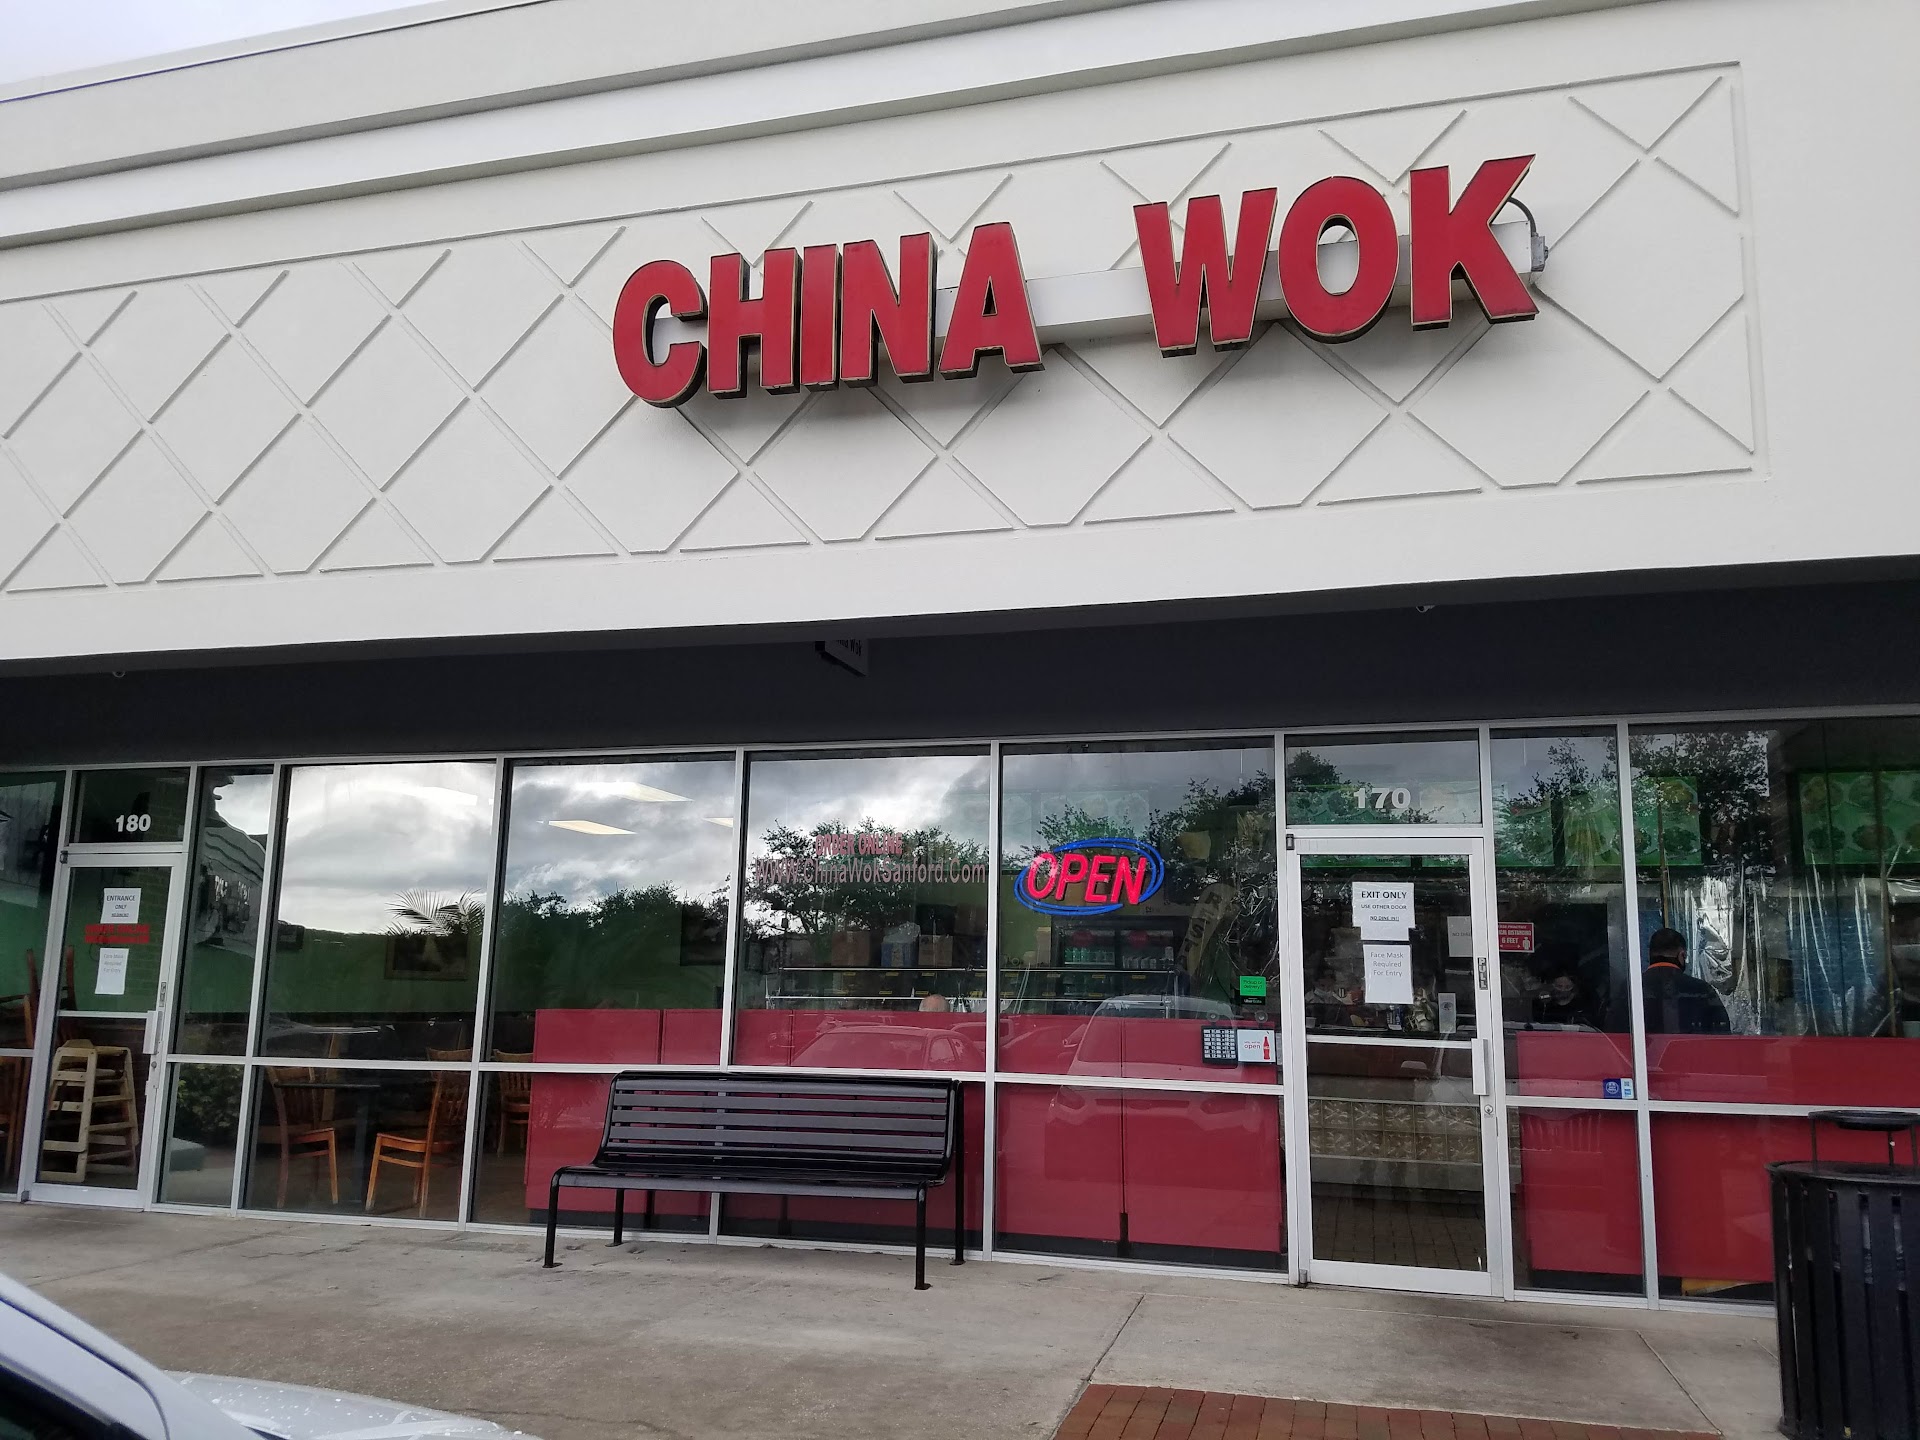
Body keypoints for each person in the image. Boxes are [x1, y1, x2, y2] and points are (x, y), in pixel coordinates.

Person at [1642, 927, 1730, 1035]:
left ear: (1650, 955)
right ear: (1681, 955)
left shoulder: (1629, 990)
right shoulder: (1702, 990)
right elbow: (1722, 1034)